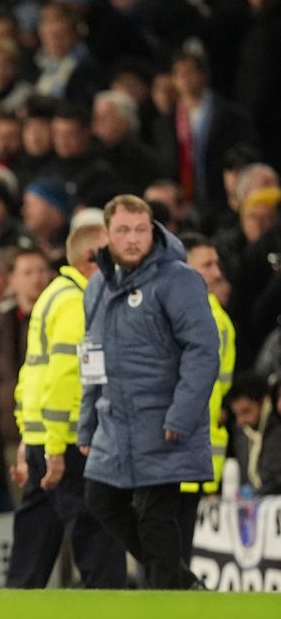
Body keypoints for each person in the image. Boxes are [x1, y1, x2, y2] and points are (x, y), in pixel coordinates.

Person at [78, 194, 219, 590]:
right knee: (100, 500)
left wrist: (182, 415)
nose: (134, 238)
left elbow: (204, 350)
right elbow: (92, 359)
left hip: (164, 422)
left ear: (153, 229)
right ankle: (182, 584)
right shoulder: (97, 288)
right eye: (123, 230)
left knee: (156, 518)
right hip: (114, 424)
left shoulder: (178, 279)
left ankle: (167, 598)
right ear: (107, 234)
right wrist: (87, 424)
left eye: (141, 229)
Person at [7, 223, 126, 589]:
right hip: (72, 438)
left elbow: (31, 375)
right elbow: (66, 376)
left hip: (47, 435)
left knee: (36, 536)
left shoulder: (55, 295)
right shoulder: (77, 303)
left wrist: (31, 437)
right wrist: (58, 446)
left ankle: (14, 606)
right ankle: (111, 611)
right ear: (93, 259)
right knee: (98, 531)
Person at [177, 233, 236, 560]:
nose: (217, 273)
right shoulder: (209, 318)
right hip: (192, 448)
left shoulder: (208, 317)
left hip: (183, 448)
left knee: (170, 543)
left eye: (217, 264)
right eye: (207, 264)